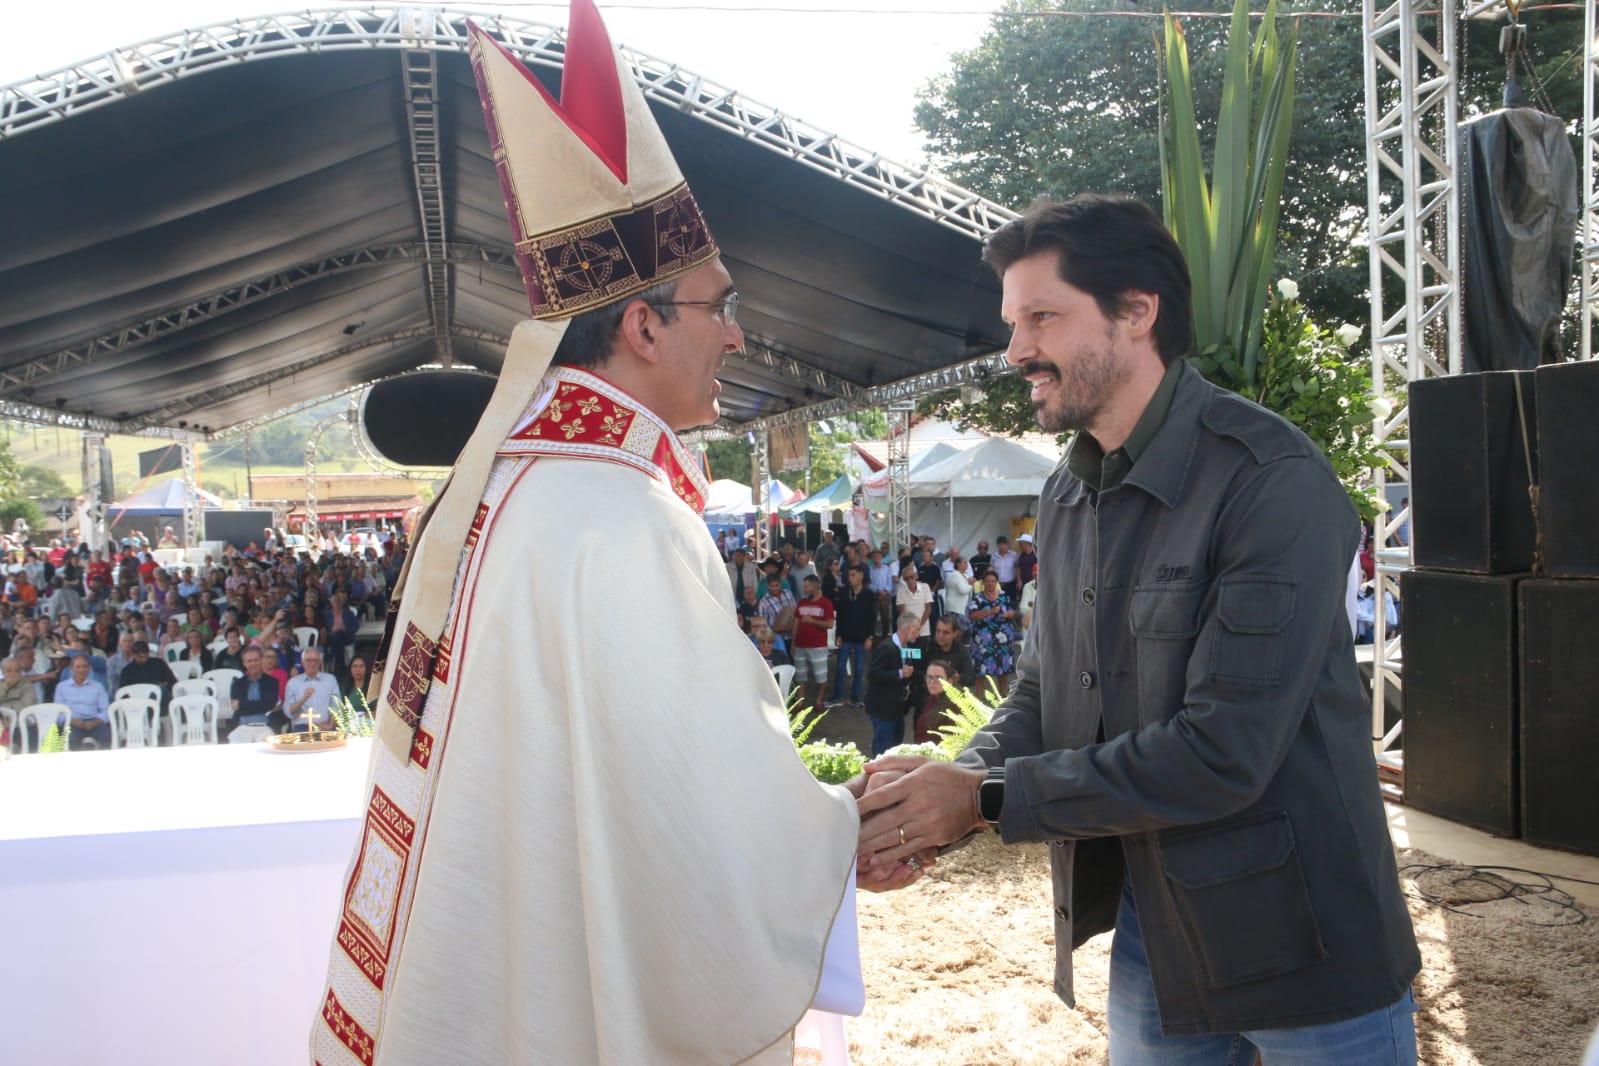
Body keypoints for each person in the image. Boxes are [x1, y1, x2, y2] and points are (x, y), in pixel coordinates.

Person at [311, 9, 859, 1063]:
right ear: (645, 326)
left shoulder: (499, 488)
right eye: (720, 305)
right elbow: (695, 797)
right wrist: (839, 824)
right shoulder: (619, 518)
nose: (739, 333)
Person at [856, 193, 1420, 1063]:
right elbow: (1046, 695)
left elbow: (1222, 750)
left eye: (1041, 316)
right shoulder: (1066, 492)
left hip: (1307, 944)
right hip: (1154, 928)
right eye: (1013, 322)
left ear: (1136, 312)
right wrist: (949, 782)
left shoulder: (1270, 481)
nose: (1016, 351)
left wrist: (981, 800)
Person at [864, 612, 921, 757]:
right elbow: (873, 675)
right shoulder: (886, 647)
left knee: (895, 747)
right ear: (908, 629)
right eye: (917, 629)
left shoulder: (905, 647)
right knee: (883, 751)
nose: (918, 634)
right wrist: (900, 673)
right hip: (883, 708)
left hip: (897, 707)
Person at [829, 563, 876, 708]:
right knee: (840, 667)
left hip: (862, 637)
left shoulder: (868, 594)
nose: (850, 578)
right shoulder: (844, 593)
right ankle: (837, 696)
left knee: (860, 668)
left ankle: (855, 697)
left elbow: (872, 617)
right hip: (846, 636)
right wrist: (838, 635)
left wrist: (870, 636)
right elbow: (841, 616)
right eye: (849, 575)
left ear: (861, 576)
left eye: (853, 575)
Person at [966, 570, 1019, 695]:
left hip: (1003, 640)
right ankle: (979, 698)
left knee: (1003, 670)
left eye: (993, 581)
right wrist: (990, 611)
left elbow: (1014, 611)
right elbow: (972, 615)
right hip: (982, 642)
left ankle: (1003, 697)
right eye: (988, 581)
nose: (990, 584)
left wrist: (1011, 614)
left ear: (997, 582)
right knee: (981, 671)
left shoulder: (1004, 596)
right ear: (983, 583)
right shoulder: (977, 598)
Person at [791, 574, 835, 715]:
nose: (804, 589)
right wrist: (793, 642)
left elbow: (829, 624)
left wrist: (812, 621)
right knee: (800, 676)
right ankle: (800, 702)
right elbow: (796, 622)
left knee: (820, 676)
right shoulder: (802, 603)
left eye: (806, 586)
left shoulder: (826, 603)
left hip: (818, 646)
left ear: (815, 586)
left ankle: (818, 701)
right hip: (800, 645)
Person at [58, 653, 110, 750]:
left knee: (108, 736)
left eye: (84, 667)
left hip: (94, 721)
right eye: (78, 667)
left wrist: (95, 722)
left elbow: (105, 710)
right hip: (72, 722)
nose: (81, 670)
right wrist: (71, 721)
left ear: (89, 668)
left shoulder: (97, 686)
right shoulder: (62, 687)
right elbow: (58, 711)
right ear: (71, 668)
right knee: (71, 738)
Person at [229, 646, 284, 737]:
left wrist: (241, 705)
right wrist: (260, 705)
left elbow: (269, 705)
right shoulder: (237, 684)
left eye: (256, 660)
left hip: (265, 726)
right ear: (244, 663)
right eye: (249, 661)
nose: (253, 663)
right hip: (241, 726)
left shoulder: (272, 682)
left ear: (262, 660)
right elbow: (236, 708)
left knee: (268, 747)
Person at [282, 647, 340, 732]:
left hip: (324, 725)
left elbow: (336, 705)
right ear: (302, 662)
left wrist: (331, 725)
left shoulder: (330, 679)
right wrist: (303, 699)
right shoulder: (293, 683)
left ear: (320, 662)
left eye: (315, 660)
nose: (312, 663)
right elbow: (288, 712)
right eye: (308, 660)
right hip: (302, 727)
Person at [913, 659, 961, 746]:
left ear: (949, 681)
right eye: (929, 677)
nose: (931, 682)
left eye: (938, 678)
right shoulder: (930, 699)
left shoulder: (956, 706)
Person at [895, 563, 933, 638]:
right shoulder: (900, 591)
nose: (909, 580)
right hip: (908, 630)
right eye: (906, 578)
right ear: (904, 579)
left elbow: (928, 608)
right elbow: (902, 611)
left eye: (911, 577)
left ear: (916, 576)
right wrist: (912, 627)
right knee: (910, 650)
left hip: (924, 629)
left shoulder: (925, 587)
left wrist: (919, 626)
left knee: (924, 649)